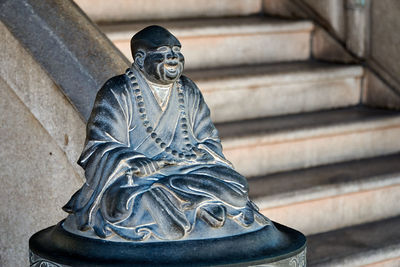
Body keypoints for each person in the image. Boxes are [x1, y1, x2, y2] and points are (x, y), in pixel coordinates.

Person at [63, 25, 269, 241]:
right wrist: (133, 160)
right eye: (163, 52)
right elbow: (99, 145)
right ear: (141, 60)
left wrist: (200, 153)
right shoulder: (118, 91)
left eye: (177, 52)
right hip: (138, 179)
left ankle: (183, 203)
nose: (173, 58)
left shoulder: (187, 89)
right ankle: (188, 206)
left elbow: (208, 138)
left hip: (187, 170)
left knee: (236, 186)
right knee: (120, 206)